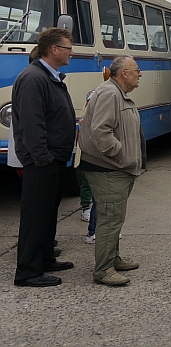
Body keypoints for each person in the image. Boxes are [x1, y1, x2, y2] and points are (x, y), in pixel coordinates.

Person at [12, 29, 76, 287]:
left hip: (56, 158)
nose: (72, 51)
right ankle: (27, 271)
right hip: (43, 161)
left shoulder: (49, 77)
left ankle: (45, 257)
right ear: (54, 50)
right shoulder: (33, 78)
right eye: (68, 47)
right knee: (36, 214)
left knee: (48, 212)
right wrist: (42, 158)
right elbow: (32, 123)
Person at [78, 55, 146, 286]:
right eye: (136, 69)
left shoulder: (117, 93)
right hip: (107, 168)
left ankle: (112, 259)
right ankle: (103, 270)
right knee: (109, 218)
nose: (140, 74)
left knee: (114, 217)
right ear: (123, 73)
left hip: (115, 168)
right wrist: (120, 155)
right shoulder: (109, 93)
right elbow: (101, 132)